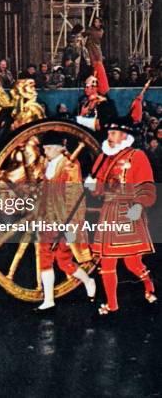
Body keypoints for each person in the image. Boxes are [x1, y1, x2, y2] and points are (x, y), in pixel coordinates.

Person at [85, 119, 157, 315]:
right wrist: (92, 186)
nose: (109, 137)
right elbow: (97, 192)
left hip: (129, 211)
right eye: (109, 133)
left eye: (114, 133)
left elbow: (147, 186)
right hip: (109, 212)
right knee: (106, 261)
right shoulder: (102, 158)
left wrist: (140, 205)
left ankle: (149, 287)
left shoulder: (137, 156)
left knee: (133, 263)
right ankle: (112, 305)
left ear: (125, 136)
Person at [34, 131, 96, 312]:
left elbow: (74, 198)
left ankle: (87, 280)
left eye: (48, 148)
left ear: (59, 148)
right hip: (47, 220)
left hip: (64, 221)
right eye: (44, 149)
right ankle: (49, 301)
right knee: (45, 259)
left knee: (64, 262)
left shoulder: (70, 166)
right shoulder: (47, 164)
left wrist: (69, 228)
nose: (46, 152)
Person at [74, 75, 117, 139]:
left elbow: (107, 122)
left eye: (87, 87)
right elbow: (75, 121)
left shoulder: (106, 102)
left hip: (99, 136)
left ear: (95, 88)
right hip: (83, 134)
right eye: (85, 87)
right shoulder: (82, 101)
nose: (85, 89)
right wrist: (81, 115)